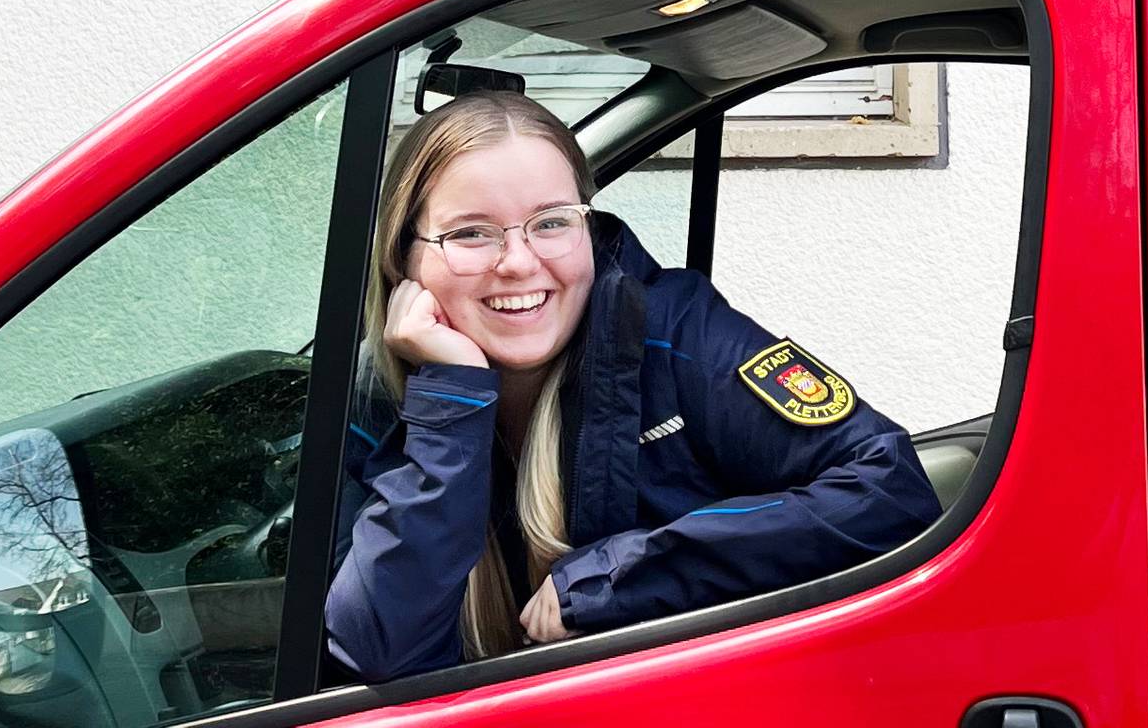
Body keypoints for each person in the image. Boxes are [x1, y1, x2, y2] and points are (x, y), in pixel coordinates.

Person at [323, 91, 942, 682]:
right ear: (402, 258)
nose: (516, 261)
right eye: (470, 233)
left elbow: (890, 490)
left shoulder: (676, 333)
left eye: (551, 223)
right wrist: (453, 401)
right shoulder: (381, 397)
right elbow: (382, 655)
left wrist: (622, 579)